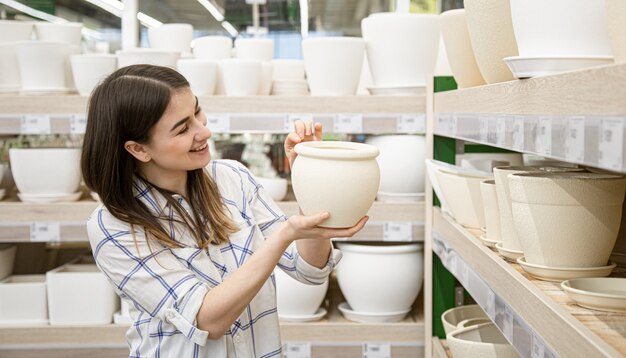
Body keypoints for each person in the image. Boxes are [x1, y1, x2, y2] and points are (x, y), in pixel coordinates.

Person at [81, 64, 368, 357]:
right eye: (183, 128)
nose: (204, 130)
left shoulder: (233, 179)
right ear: (139, 149)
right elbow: (206, 320)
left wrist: (312, 181)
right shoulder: (113, 226)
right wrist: (281, 237)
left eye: (198, 112)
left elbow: (309, 269)